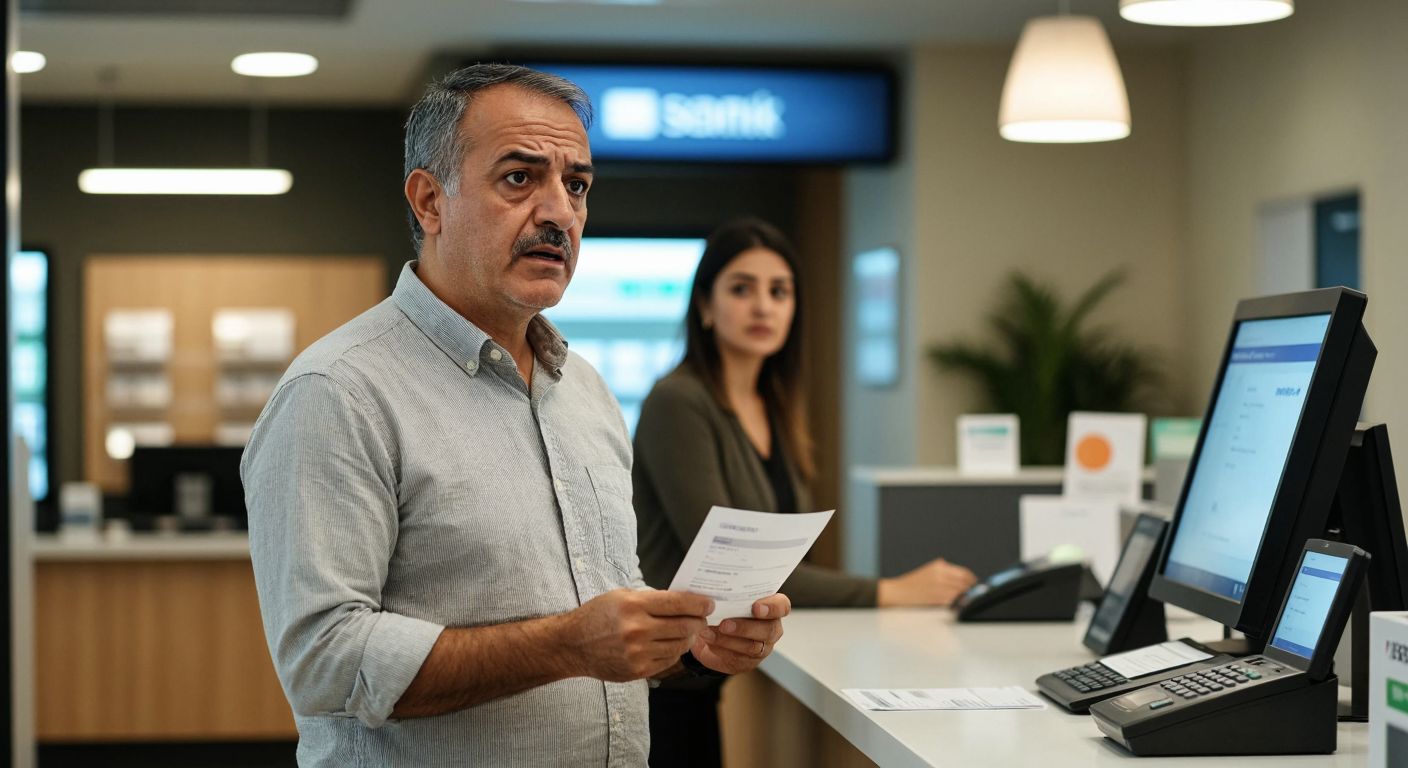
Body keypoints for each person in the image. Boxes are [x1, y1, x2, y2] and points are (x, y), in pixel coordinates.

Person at [241, 64, 790, 768]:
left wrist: (691, 645)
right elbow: (322, 660)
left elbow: (602, 630)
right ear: (429, 201)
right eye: (519, 179)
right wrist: (566, 644)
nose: (560, 212)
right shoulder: (338, 390)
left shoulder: (584, 391)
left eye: (577, 185)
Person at [633, 217, 979, 766]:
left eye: (780, 291)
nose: (763, 307)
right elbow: (738, 564)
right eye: (741, 288)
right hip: (660, 683)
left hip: (705, 674)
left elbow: (783, 558)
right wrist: (892, 590)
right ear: (704, 305)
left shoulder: (775, 409)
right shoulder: (677, 401)